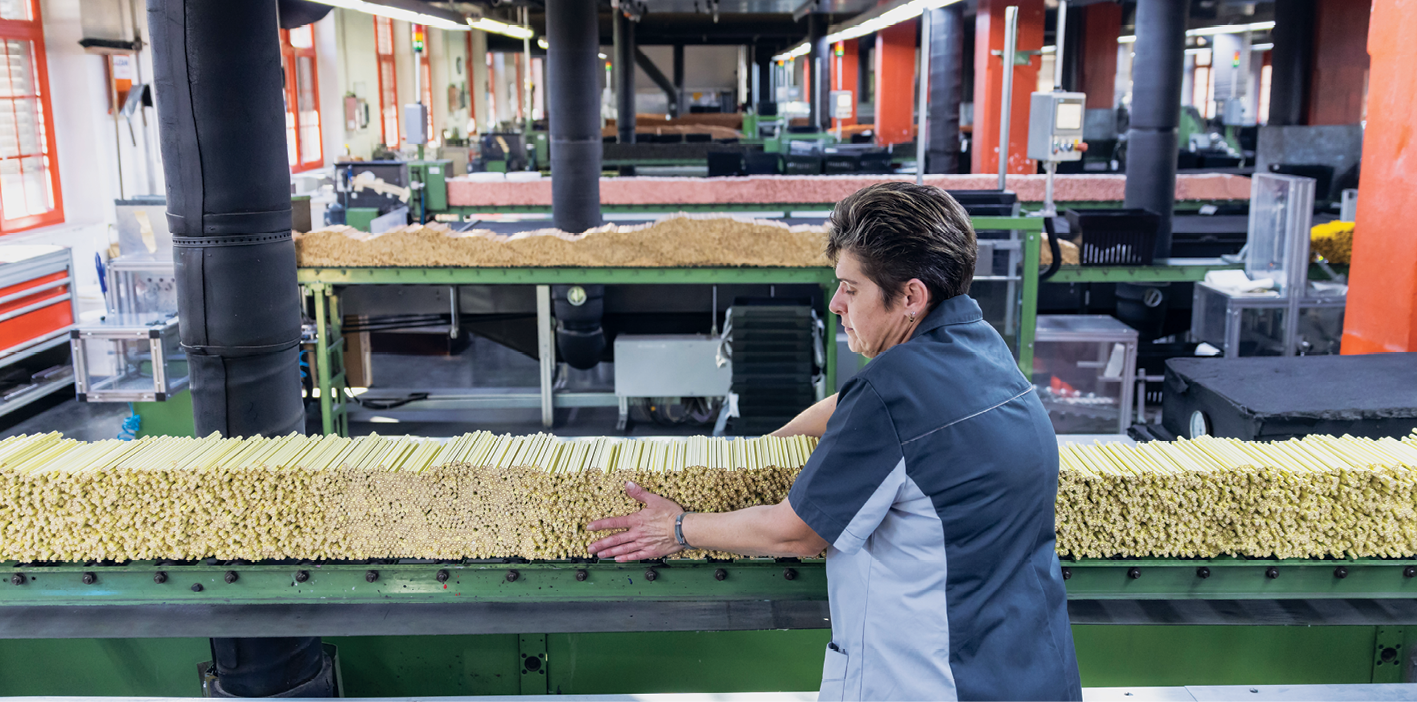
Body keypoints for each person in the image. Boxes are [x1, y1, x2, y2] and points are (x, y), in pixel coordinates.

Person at [587, 182, 1082, 702]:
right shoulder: (984, 350)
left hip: (941, 682)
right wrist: (761, 448)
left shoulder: (890, 394)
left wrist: (676, 528)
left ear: (911, 296)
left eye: (851, 287)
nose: (835, 304)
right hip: (1034, 667)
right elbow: (855, 407)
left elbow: (793, 535)